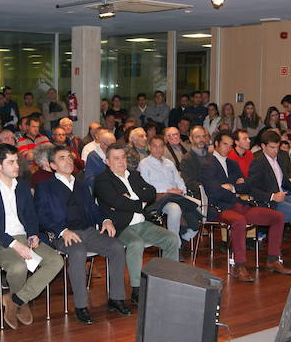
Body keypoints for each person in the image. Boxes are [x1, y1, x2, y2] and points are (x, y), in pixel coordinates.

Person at [34, 146, 130, 324]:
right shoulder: (45, 187)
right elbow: (41, 217)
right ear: (53, 165)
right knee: (78, 252)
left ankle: (116, 298)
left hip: (87, 231)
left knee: (117, 247)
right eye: (62, 158)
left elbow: (93, 209)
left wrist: (105, 220)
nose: (68, 161)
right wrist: (62, 231)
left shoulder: (82, 185)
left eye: (69, 157)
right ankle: (81, 306)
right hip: (62, 234)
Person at [0, 144, 64, 330]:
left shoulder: (22, 186)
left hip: (25, 237)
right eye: (11, 162)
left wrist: (33, 234)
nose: (17, 166)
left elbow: (31, 215)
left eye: (17, 161)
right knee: (18, 266)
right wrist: (15, 244)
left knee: (56, 261)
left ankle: (17, 300)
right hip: (0, 242)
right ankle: (21, 301)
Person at [94, 143, 179, 305]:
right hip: (121, 226)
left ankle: (166, 282)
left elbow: (151, 192)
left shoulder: (134, 175)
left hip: (142, 223)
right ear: (107, 161)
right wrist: (140, 202)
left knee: (172, 239)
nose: (121, 161)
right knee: (136, 243)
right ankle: (137, 289)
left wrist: (131, 196)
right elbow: (117, 202)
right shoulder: (102, 180)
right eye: (116, 158)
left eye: (123, 157)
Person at [202, 131, 291, 282]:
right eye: (225, 144)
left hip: (240, 205)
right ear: (216, 144)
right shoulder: (208, 165)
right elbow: (213, 191)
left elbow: (247, 186)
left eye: (230, 146)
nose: (228, 148)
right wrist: (235, 189)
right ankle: (239, 265)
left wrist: (232, 188)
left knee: (277, 217)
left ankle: (273, 259)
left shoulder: (232, 164)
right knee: (239, 221)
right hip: (219, 208)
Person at [248, 130, 291, 243]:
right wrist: (272, 196)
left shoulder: (280, 158)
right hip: (271, 202)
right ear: (263, 146)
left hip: (284, 196)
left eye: (277, 147)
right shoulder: (257, 162)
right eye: (272, 147)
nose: (276, 151)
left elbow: (284, 181)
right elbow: (251, 189)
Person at [137, 135, 199, 243]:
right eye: (155, 146)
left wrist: (182, 191)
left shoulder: (169, 163)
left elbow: (179, 180)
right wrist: (168, 191)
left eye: (161, 146)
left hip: (176, 195)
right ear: (149, 147)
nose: (158, 149)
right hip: (157, 197)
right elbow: (146, 186)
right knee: (175, 209)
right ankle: (174, 243)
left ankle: (185, 236)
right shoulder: (144, 164)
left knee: (199, 207)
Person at [178, 126, 211, 193]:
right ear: (191, 139)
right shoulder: (186, 159)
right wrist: (208, 187)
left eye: (204, 136)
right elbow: (189, 183)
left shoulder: (211, 156)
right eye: (197, 137)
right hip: (199, 194)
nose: (201, 139)